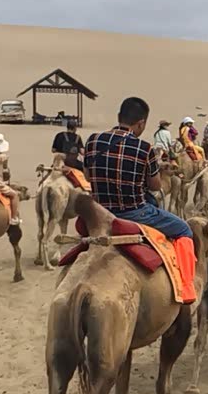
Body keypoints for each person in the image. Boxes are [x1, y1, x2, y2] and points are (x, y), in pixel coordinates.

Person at [83, 97, 196, 303]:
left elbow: (88, 177)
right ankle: (187, 287)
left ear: (119, 116)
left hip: (99, 213)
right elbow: (155, 186)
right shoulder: (144, 148)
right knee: (184, 229)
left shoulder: (92, 140)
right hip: (135, 213)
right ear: (141, 123)